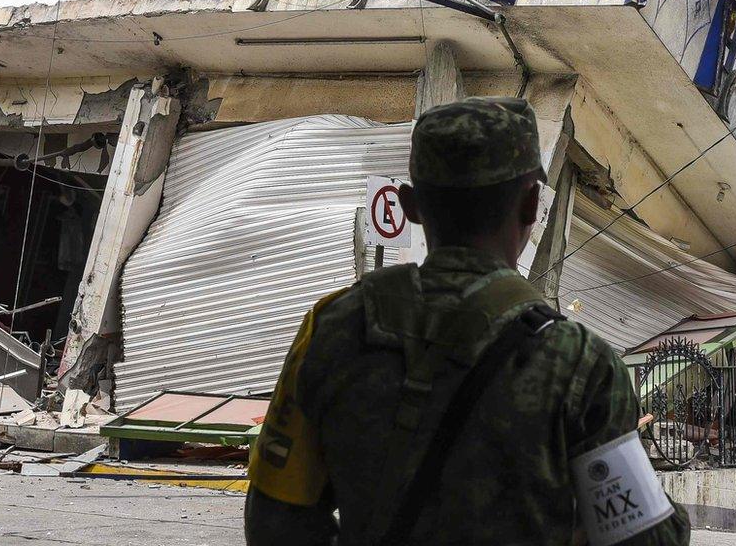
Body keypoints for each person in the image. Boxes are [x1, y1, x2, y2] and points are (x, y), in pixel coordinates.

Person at [246, 96, 691, 546]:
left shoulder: (332, 327)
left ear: (410, 205)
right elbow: (649, 541)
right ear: (532, 205)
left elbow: (274, 523)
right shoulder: (581, 365)